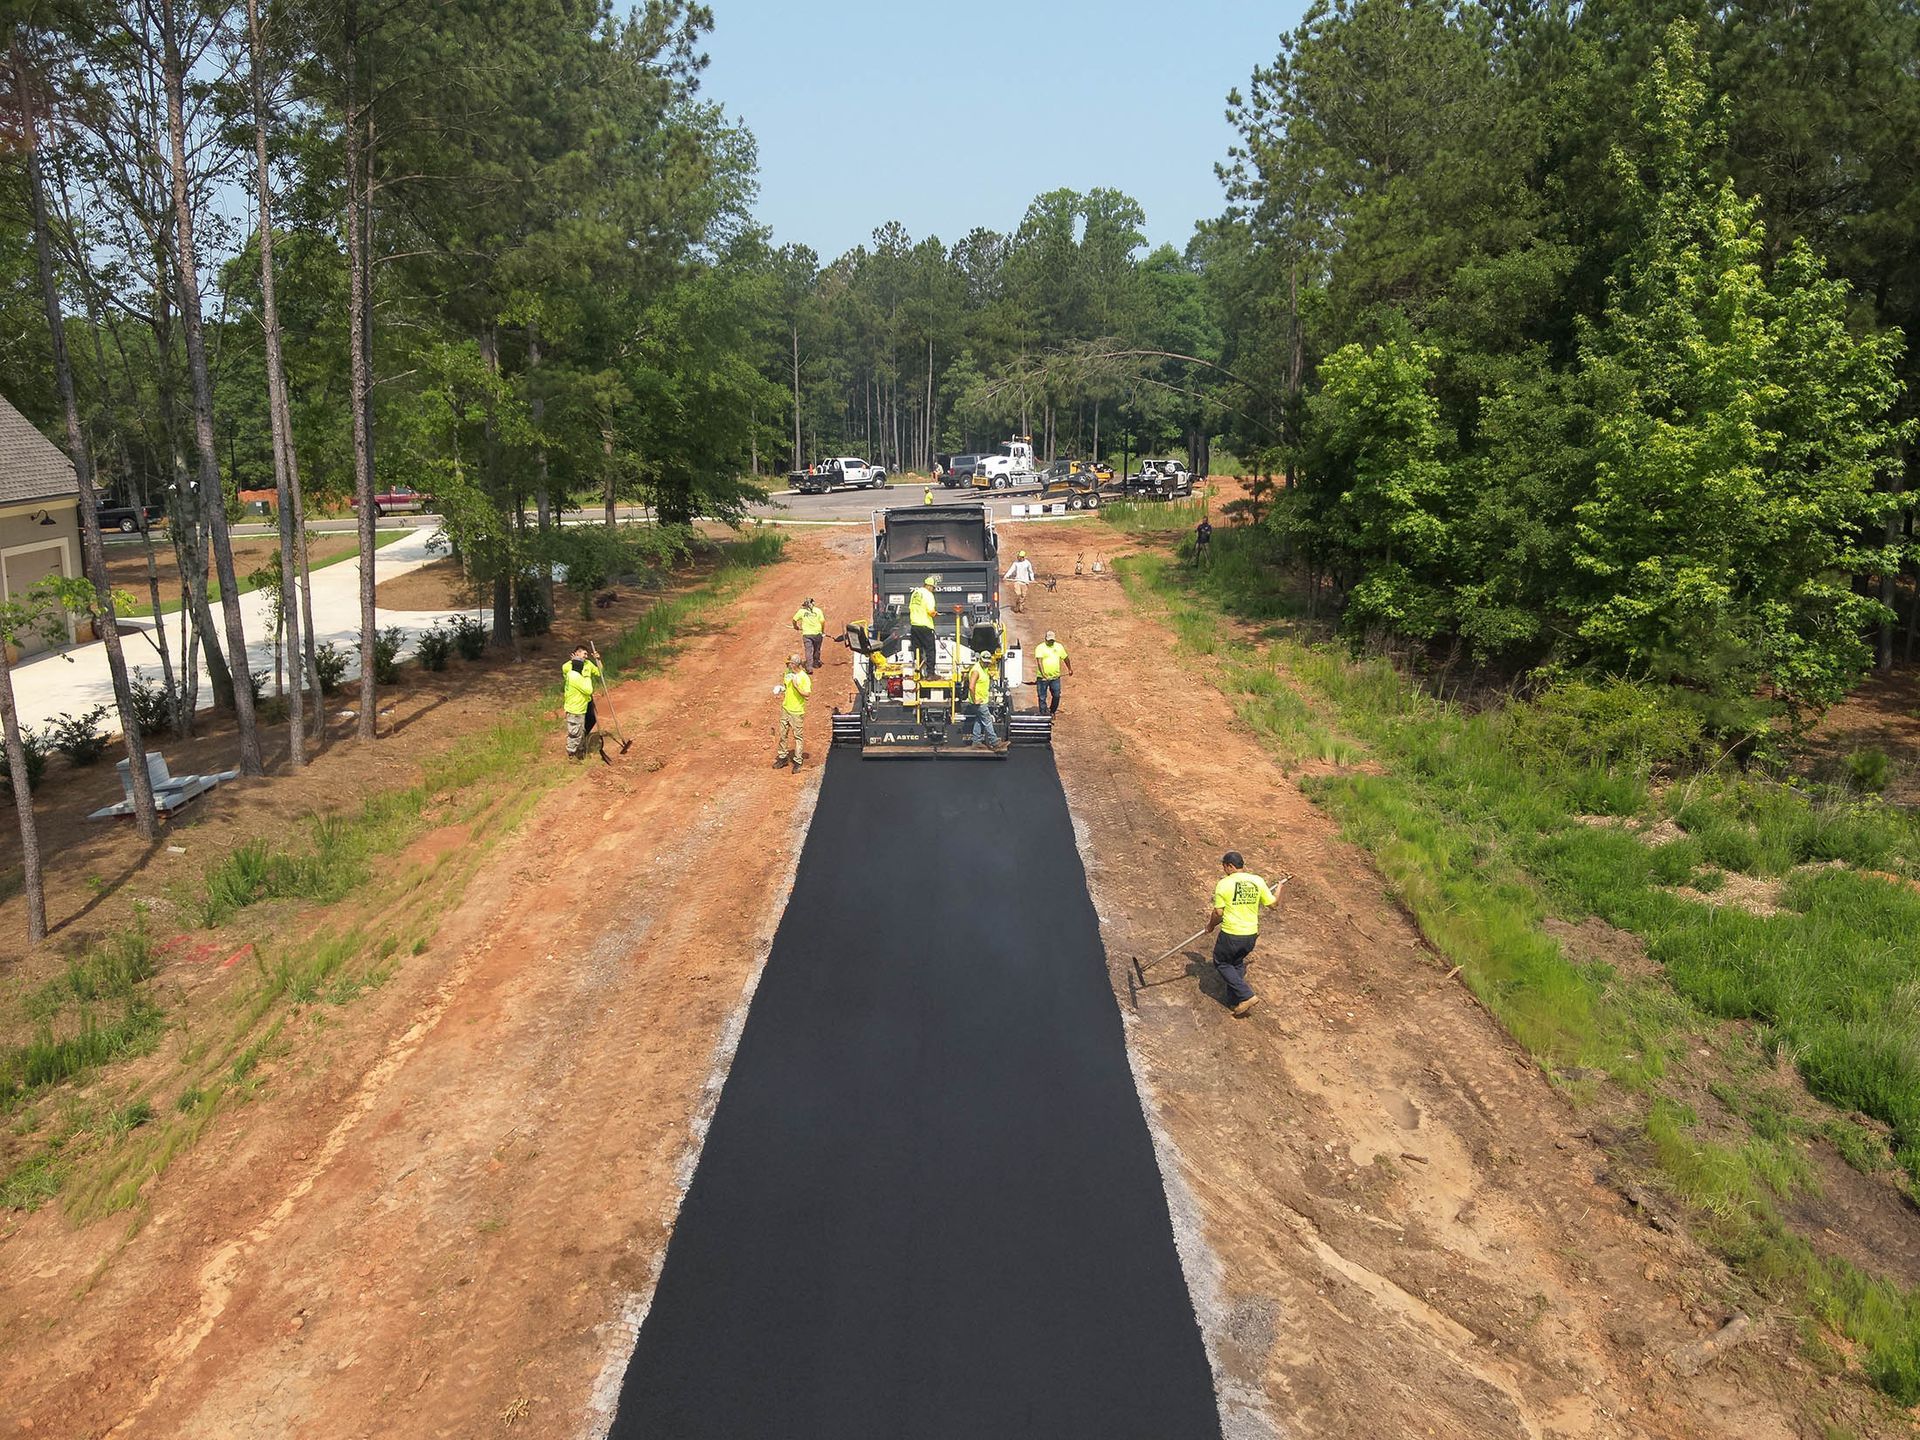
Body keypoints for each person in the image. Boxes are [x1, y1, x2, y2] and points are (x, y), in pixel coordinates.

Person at [1205, 852, 1277, 1017]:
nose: (1224, 870)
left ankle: (1247, 995)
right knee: (1236, 963)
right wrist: (1279, 889)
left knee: (1221, 962)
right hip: (1251, 934)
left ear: (1230, 866)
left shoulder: (1224, 884)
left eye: (1224, 866)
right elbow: (1273, 904)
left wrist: (1210, 926)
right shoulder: (1257, 881)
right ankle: (1235, 1000)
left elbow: (1218, 912)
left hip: (1232, 933)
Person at [562, 644, 606, 763]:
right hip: (577, 700)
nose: (586, 656)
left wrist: (598, 660)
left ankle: (580, 741)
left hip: (585, 699)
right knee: (576, 726)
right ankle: (575, 747)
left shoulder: (588, 664)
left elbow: (599, 672)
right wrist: (585, 676)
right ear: (576, 653)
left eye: (587, 654)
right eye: (584, 654)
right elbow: (573, 681)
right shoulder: (568, 667)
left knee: (590, 719)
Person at [774, 653, 811, 772]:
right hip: (786, 708)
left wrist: (796, 687)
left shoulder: (803, 677)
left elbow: (807, 694)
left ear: (794, 664)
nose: (786, 665)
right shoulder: (787, 673)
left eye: (788, 663)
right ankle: (782, 757)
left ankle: (798, 761)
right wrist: (782, 688)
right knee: (782, 734)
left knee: (798, 736)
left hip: (796, 711)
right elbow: (786, 686)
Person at [963, 650, 1000, 748]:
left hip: (982, 700)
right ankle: (995, 742)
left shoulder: (984, 668)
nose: (987, 664)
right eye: (985, 662)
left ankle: (976, 741)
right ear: (980, 660)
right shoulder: (976, 670)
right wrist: (975, 700)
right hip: (979, 702)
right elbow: (971, 686)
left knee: (979, 720)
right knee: (987, 720)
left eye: (988, 662)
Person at [1033, 630, 1071, 717]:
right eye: (1049, 640)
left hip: (1055, 677)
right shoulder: (1040, 648)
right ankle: (1043, 713)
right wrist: (1043, 675)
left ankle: (1052, 711)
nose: (1051, 642)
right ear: (1045, 639)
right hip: (1042, 678)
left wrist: (1069, 669)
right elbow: (1039, 662)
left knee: (1056, 695)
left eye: (1052, 640)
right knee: (1042, 696)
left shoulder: (1059, 647)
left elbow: (1065, 658)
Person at [908, 575, 939, 676]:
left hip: (914, 626)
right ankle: (930, 674)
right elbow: (930, 611)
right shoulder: (928, 595)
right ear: (930, 586)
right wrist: (935, 614)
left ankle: (918, 673)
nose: (933, 590)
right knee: (930, 650)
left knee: (917, 650)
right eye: (933, 588)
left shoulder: (915, 593)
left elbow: (911, 607)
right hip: (925, 626)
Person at [792, 597, 827, 673]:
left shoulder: (801, 611)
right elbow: (823, 622)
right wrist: (822, 631)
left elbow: (794, 619)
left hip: (807, 634)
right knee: (817, 649)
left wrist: (795, 627)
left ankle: (809, 667)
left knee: (808, 650)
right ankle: (816, 663)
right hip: (817, 633)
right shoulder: (818, 611)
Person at [1004, 548, 1035, 614]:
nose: (1018, 558)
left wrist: (1032, 579)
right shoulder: (1016, 563)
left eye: (1020, 557)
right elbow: (1011, 570)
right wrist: (1006, 576)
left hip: (1024, 582)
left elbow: (1030, 572)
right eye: (1018, 557)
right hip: (1017, 581)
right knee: (1018, 594)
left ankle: (1020, 608)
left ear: (1023, 557)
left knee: (1023, 596)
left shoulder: (1027, 563)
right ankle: (1017, 606)